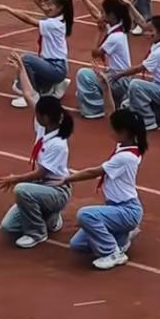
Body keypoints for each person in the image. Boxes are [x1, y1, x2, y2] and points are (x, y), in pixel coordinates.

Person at [0, 56, 73, 249]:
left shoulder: (58, 144)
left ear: (45, 117)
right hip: (42, 186)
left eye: (37, 113)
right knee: (8, 226)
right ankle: (50, 216)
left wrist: (15, 179)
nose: (34, 114)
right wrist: (21, 69)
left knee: (22, 190)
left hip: (56, 190)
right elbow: (30, 94)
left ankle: (37, 232)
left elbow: (41, 173)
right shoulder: (44, 127)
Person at [64, 107, 147, 270]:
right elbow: (111, 114)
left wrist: (66, 179)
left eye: (114, 129)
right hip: (116, 207)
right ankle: (122, 238)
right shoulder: (128, 146)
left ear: (124, 132)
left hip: (127, 210)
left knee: (85, 215)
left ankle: (113, 253)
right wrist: (106, 92)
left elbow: (94, 172)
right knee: (77, 244)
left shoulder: (125, 157)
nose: (110, 132)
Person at [0, 0, 73, 106]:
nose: (46, 7)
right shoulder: (59, 18)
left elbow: (28, 19)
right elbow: (40, 2)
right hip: (55, 65)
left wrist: (7, 9)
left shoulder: (53, 24)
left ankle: (31, 95)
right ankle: (55, 85)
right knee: (21, 78)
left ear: (60, 7)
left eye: (50, 5)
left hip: (55, 67)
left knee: (25, 60)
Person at [73, 0, 135, 119]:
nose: (101, 14)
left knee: (83, 75)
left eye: (104, 12)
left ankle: (96, 109)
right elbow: (95, 13)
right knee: (82, 90)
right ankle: (113, 100)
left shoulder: (114, 37)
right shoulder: (118, 28)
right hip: (119, 77)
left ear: (111, 15)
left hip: (118, 79)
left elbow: (95, 53)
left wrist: (98, 32)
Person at [122, 15, 160, 131]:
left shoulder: (159, 52)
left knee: (135, 85)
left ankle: (148, 121)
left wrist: (118, 75)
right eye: (146, 31)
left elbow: (138, 68)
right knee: (127, 105)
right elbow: (143, 24)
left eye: (151, 31)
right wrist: (131, 8)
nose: (146, 33)